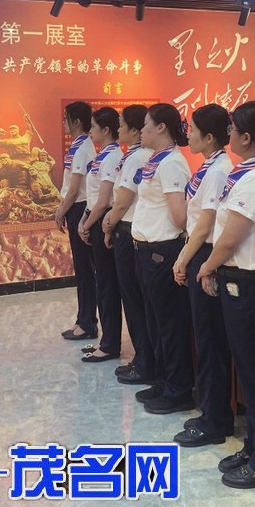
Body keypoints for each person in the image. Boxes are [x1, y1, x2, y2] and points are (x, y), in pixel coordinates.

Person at [196, 99, 255, 490]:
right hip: (241, 282)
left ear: (246, 137)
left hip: (252, 285)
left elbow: (231, 236)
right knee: (249, 376)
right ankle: (254, 448)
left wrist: (207, 265)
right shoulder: (252, 171)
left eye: (233, 129)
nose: (229, 134)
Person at [170, 104, 234, 447]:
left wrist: (183, 259)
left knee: (211, 342)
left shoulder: (220, 170)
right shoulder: (210, 166)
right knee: (206, 340)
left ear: (209, 137)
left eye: (193, 129)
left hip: (206, 254)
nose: (188, 134)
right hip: (198, 251)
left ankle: (216, 419)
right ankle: (211, 411)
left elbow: (205, 224)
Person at [130, 103, 193, 415]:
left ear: (161, 128)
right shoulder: (156, 160)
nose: (141, 130)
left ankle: (178, 389)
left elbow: (180, 217)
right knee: (154, 322)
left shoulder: (172, 164)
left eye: (146, 124)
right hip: (145, 250)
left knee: (169, 325)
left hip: (162, 251)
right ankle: (163, 380)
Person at [102, 105, 155, 385]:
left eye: (122, 125)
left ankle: (144, 362)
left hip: (128, 229)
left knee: (134, 301)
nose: (118, 129)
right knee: (138, 301)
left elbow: (122, 201)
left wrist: (108, 224)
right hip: (133, 230)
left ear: (135, 130)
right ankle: (143, 358)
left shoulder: (136, 158)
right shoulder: (142, 155)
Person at [78, 107, 124, 362]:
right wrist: (84, 220)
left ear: (106, 130)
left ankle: (109, 344)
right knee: (102, 284)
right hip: (94, 219)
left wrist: (87, 224)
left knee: (107, 287)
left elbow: (104, 200)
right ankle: (106, 341)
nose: (91, 132)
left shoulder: (113, 157)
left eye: (94, 127)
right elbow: (94, 197)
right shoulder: (102, 155)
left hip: (103, 222)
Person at [55, 101, 98, 341]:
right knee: (82, 270)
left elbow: (74, 190)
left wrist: (61, 211)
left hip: (79, 208)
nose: (64, 123)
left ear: (77, 121)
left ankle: (88, 323)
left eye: (66, 119)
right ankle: (83, 319)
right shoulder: (79, 146)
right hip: (74, 207)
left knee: (85, 269)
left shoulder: (83, 149)